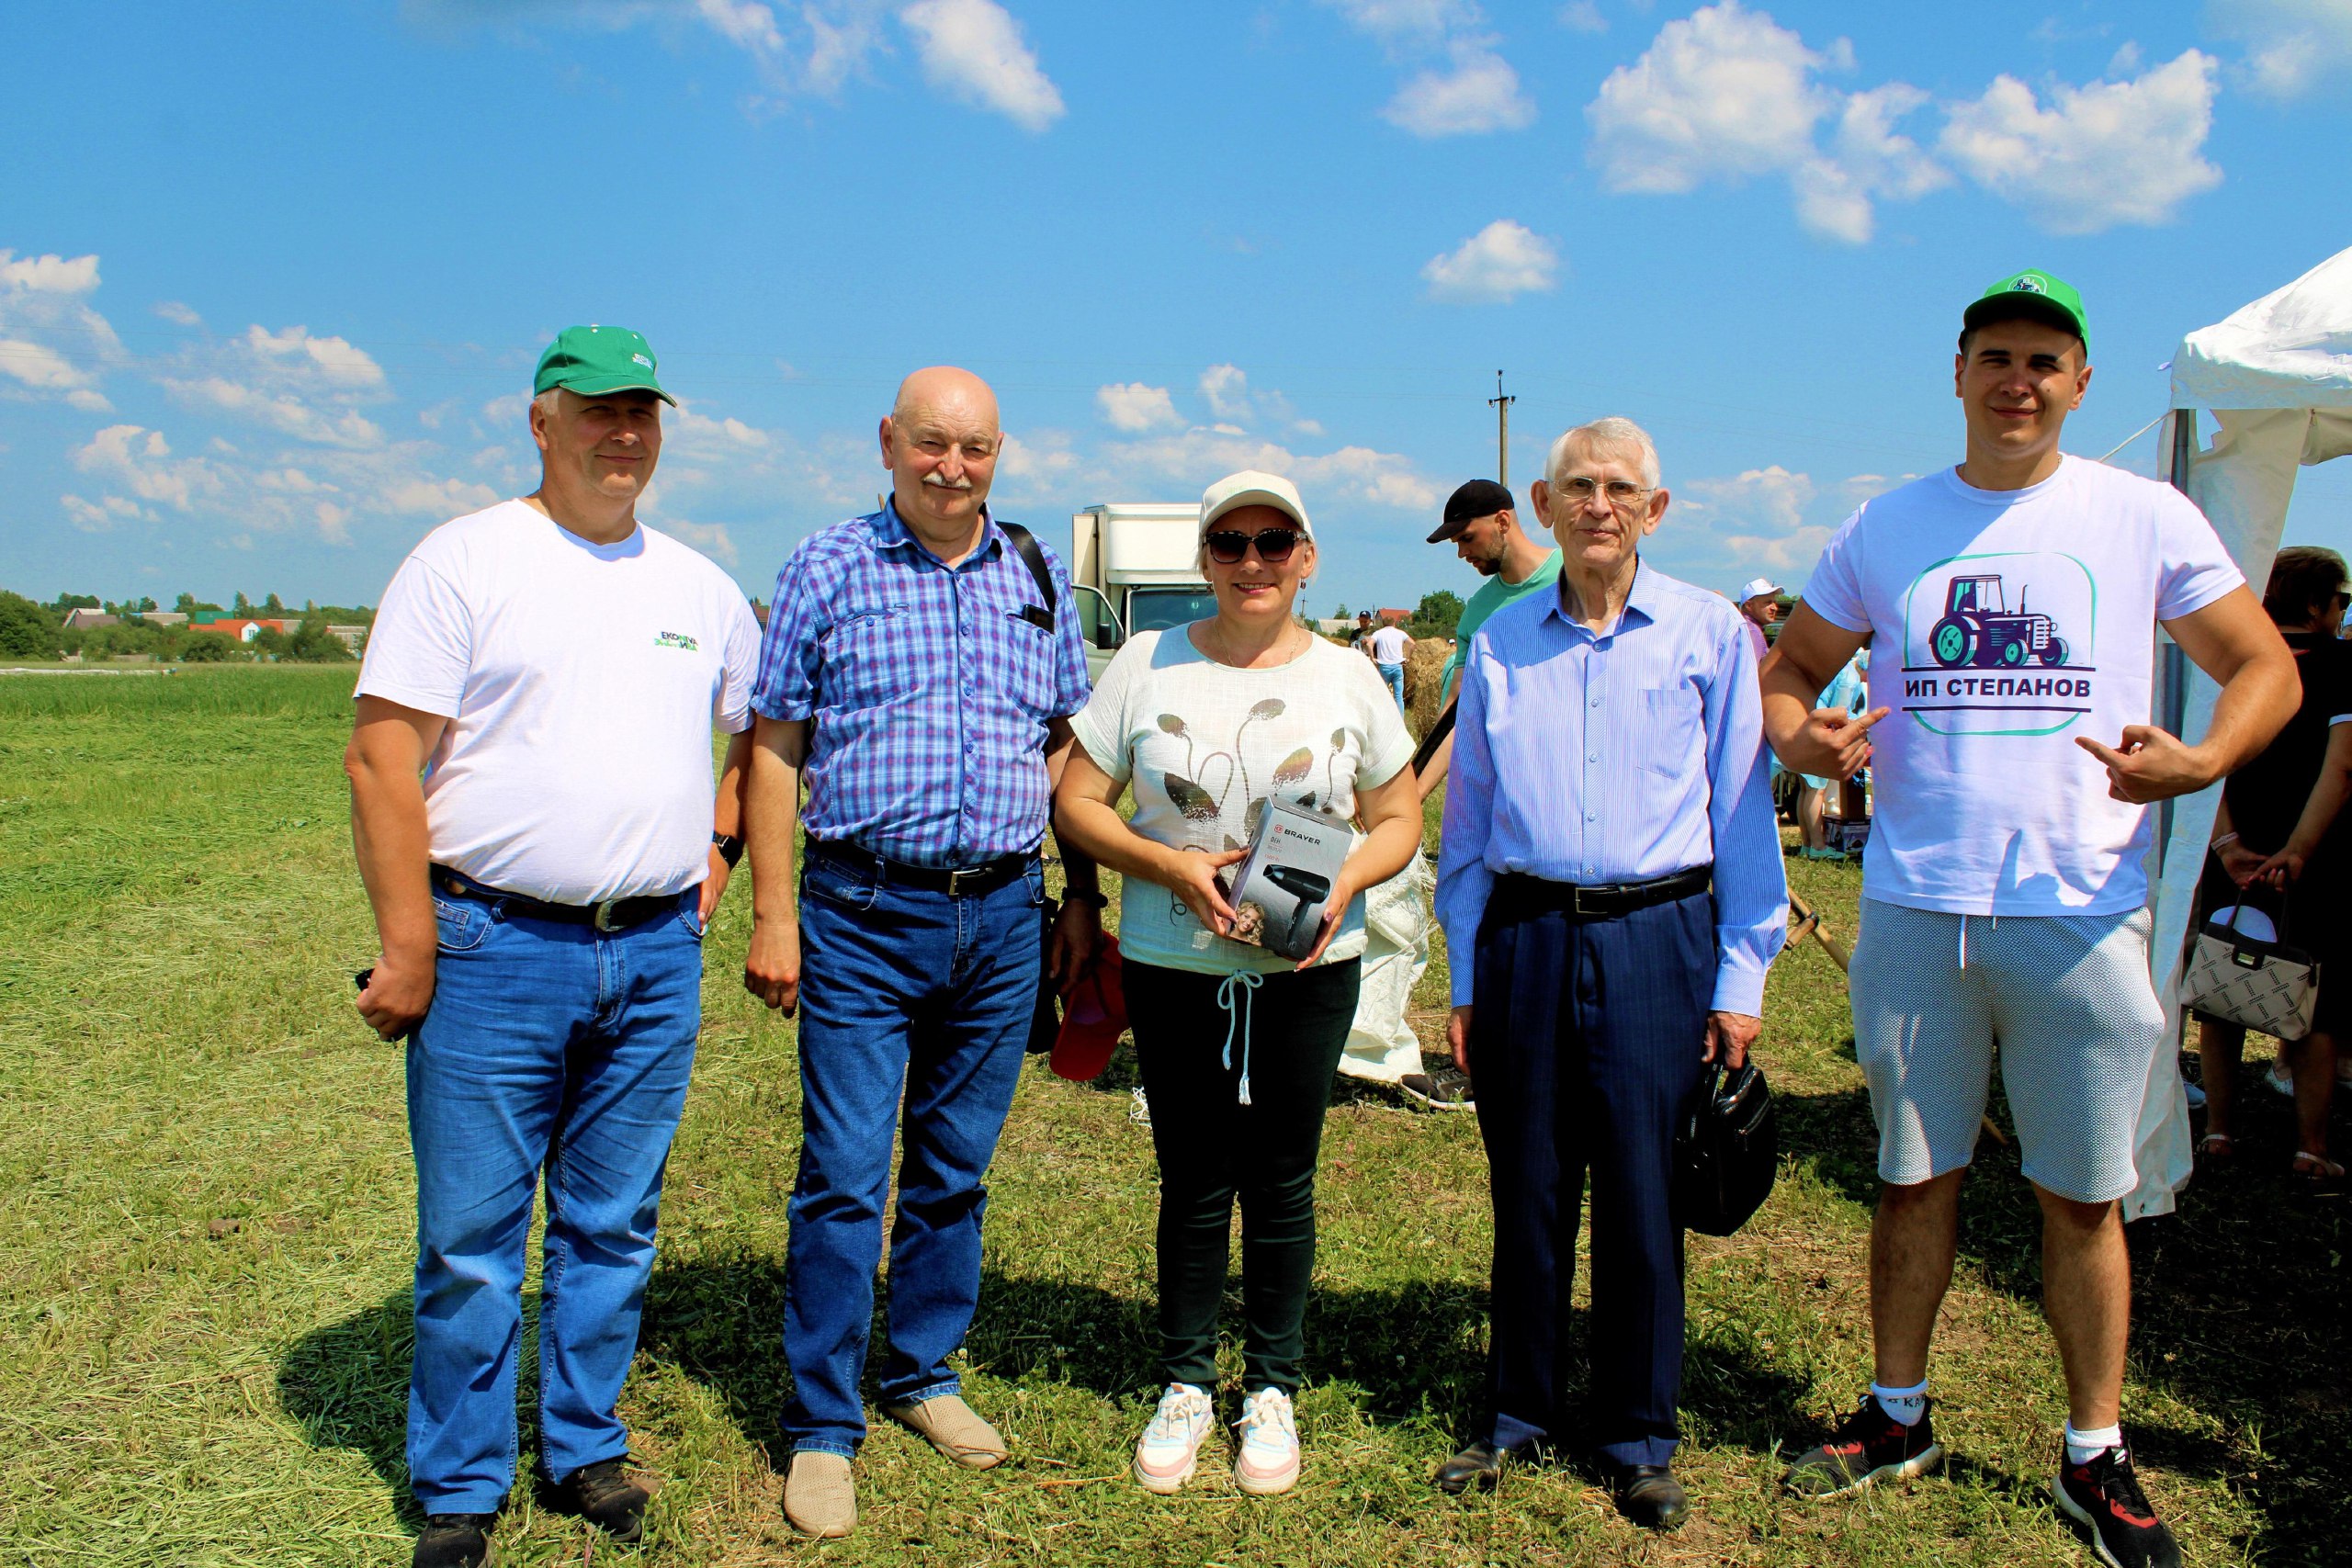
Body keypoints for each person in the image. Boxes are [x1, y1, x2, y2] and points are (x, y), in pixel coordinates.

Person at [1761, 268, 2296, 1568]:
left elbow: (2265, 665)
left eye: (2044, 360)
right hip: (1914, 907)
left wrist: (2201, 758)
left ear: (2080, 382)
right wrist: (1808, 740)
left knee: (2082, 1196)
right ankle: (1898, 1420)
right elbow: (1787, 671)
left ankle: (2094, 1450)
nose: (2018, 379)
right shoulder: (1890, 524)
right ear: (1957, 373)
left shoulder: (2140, 513)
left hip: (2080, 907)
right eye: (1995, 355)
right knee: (1911, 1174)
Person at [346, 326, 761, 1568]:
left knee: (613, 1220)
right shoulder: (466, 560)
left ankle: (582, 1443)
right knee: (472, 1237)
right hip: (492, 943)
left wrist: (722, 848)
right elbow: (382, 756)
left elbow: (756, 739)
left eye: (641, 411)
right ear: (542, 421)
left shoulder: (701, 587)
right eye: (596, 410)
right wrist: (409, 947)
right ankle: (462, 1483)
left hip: (649, 955)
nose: (622, 433)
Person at [739, 367, 1103, 1540]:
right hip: (859, 909)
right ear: (887, 442)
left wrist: (1081, 897)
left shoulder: (1036, 573)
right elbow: (776, 745)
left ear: (1002, 453)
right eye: (932, 444)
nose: (954, 467)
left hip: (1001, 916)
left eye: (977, 448)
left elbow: (1065, 751)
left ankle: (922, 1374)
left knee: (953, 1167)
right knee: (846, 1174)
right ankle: (821, 1424)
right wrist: (775, 913)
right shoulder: (827, 566)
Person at [1433, 417, 1786, 1531]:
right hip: (1526, 934)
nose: (1598, 504)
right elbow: (1470, 820)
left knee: (1644, 1187)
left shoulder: (1709, 633)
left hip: (1657, 936)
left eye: (1620, 487)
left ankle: (1637, 1434)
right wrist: (1465, 967)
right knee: (1526, 1184)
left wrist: (1741, 975)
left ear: (1655, 509)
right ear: (1544, 507)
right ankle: (1516, 1417)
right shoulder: (1498, 643)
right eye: (1576, 486)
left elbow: (1741, 813)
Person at [1054, 470, 1421, 1499]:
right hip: (1173, 967)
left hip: (1309, 971)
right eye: (1230, 542)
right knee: (1194, 1174)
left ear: (1306, 558)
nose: (1252, 562)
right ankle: (1183, 1380)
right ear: (1203, 560)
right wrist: (1166, 867)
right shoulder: (1144, 661)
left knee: (1283, 1176)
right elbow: (1077, 801)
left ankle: (1271, 1384)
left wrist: (1344, 877)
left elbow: (1398, 821)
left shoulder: (1349, 676)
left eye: (1274, 542)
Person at [1384, 479, 1566, 1111]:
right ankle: (1486, 1064)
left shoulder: (1574, 576)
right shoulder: (1478, 611)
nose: (1462, 552)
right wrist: (1406, 799)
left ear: (1505, 520)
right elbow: (1455, 720)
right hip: (1499, 801)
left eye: (1467, 537)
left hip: (1570, 799)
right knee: (1487, 924)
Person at [2194, 546, 2352, 1181]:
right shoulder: (2343, 664)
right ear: (2316, 604)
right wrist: (2300, 850)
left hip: (2234, 857)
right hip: (2313, 860)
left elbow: (2208, 762)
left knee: (2220, 987)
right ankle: (2312, 1146)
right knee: (2319, 1005)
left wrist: (2229, 846)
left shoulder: (2233, 660)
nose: (2343, 611)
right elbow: (2341, 767)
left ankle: (2218, 1132)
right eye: (2341, 599)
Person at [1794, 652, 1868, 860]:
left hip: (1804, 729)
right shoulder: (1850, 678)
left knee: (1806, 789)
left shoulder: (1839, 670)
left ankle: (1807, 844)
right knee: (1817, 790)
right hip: (1820, 735)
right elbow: (1839, 713)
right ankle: (1818, 847)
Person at [1364, 615, 1411, 710]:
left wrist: (1372, 658)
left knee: (1382, 696)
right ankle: (1400, 721)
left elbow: (1369, 645)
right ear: (1394, 624)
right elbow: (1413, 644)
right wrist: (1408, 658)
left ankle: (1383, 719)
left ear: (1383, 624)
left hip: (1384, 667)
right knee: (1398, 697)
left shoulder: (1378, 633)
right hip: (1397, 667)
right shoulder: (1400, 633)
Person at [1736, 577, 1782, 660]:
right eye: (1768, 603)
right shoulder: (1752, 631)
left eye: (1774, 602)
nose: (1775, 608)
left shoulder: (1743, 626)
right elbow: (1751, 671)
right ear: (1749, 606)